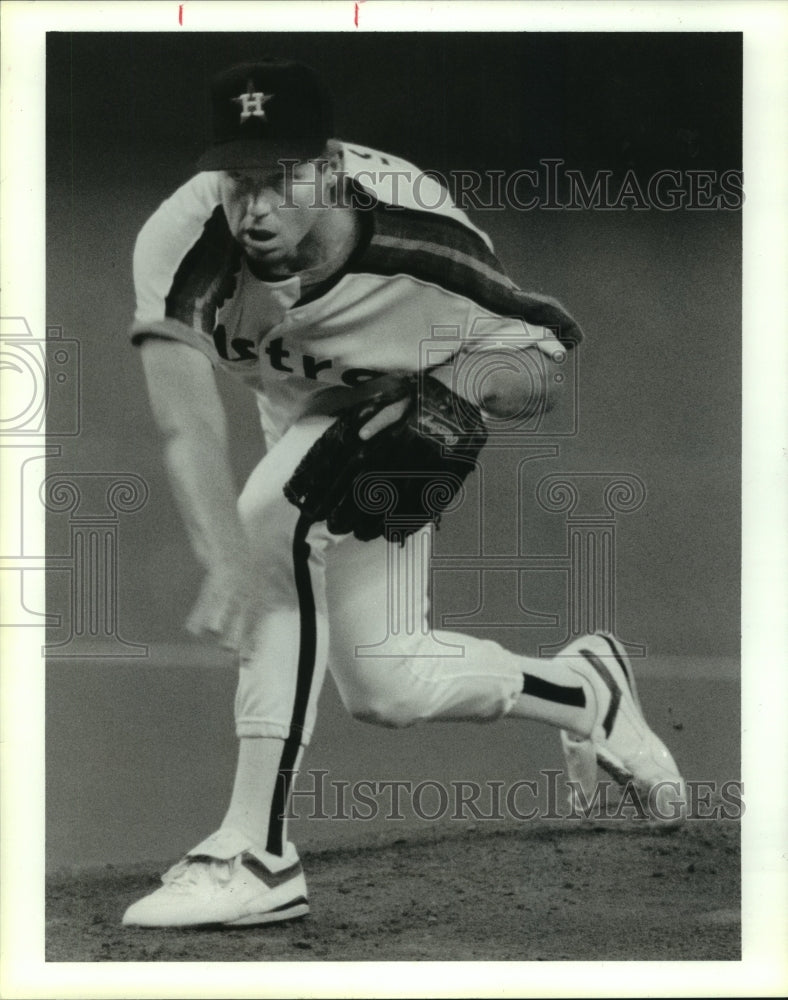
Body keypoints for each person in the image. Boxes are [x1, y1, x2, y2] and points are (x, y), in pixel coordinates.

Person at [122, 59, 685, 929]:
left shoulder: (427, 247)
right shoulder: (186, 235)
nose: (257, 207)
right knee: (389, 687)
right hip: (298, 417)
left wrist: (452, 393)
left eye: (284, 179)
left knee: (276, 523)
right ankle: (588, 691)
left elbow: (541, 370)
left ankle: (254, 853)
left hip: (399, 408)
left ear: (335, 169)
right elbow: (185, 423)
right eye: (241, 181)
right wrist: (223, 558)